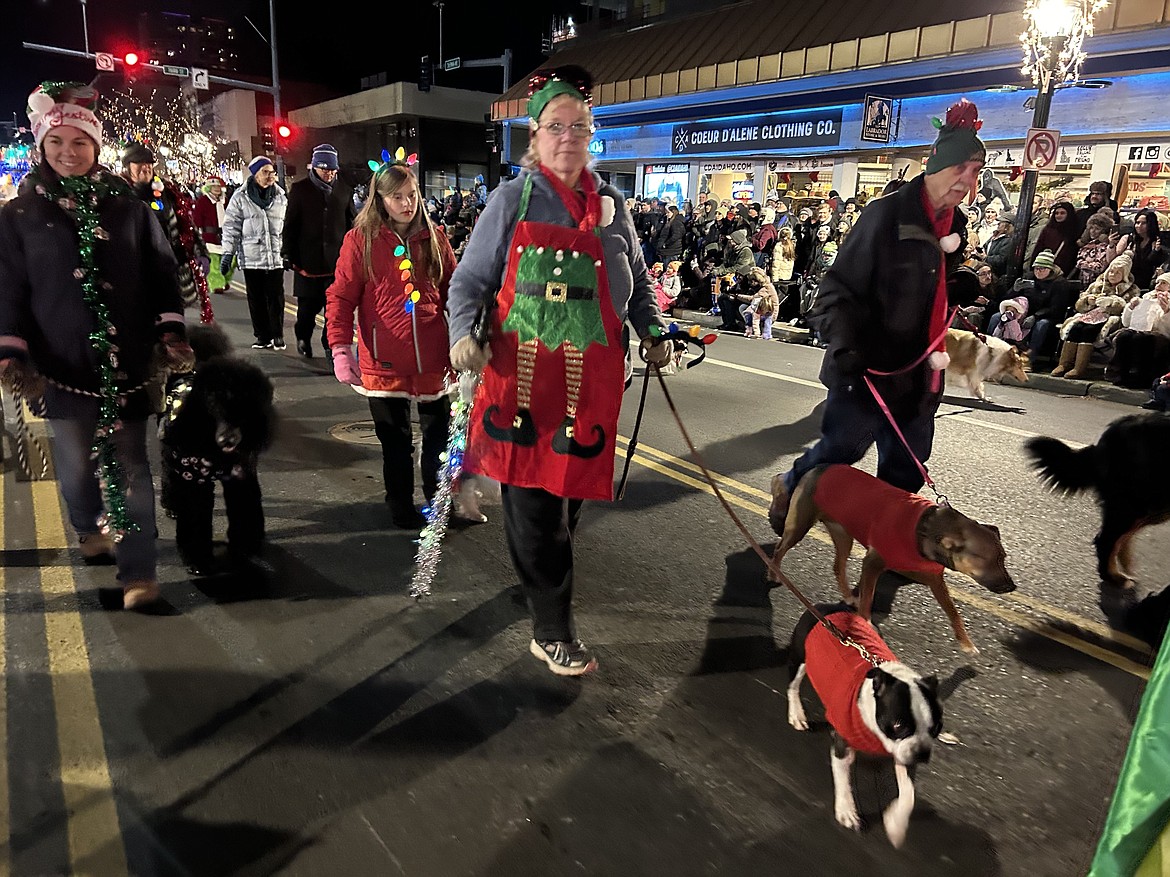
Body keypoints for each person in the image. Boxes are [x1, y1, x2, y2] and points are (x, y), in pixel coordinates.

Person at [445, 65, 670, 676]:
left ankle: (538, 574)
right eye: (554, 126)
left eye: (579, 126)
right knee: (537, 505)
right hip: (521, 386)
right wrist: (463, 334)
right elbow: (468, 281)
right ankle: (552, 628)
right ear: (535, 137)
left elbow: (638, 281)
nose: (567, 137)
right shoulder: (510, 200)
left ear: (591, 133)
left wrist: (651, 328)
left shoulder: (611, 203)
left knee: (565, 503)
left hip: (590, 385)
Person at [0, 81, 188, 611]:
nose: (68, 151)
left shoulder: (129, 208)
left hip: (126, 363)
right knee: (78, 465)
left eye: (79, 141)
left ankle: (139, 574)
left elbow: (161, 270)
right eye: (56, 141)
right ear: (41, 144)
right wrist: (11, 350)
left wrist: (169, 330)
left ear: (96, 146)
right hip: (60, 366)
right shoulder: (17, 216)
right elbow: (8, 285)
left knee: (131, 466)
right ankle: (88, 525)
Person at [768, 98, 985, 532]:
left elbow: (929, 281)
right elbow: (836, 290)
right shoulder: (886, 214)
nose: (967, 179)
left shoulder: (955, 223)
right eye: (960, 167)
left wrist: (958, 281)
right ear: (934, 165)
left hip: (921, 374)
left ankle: (886, 546)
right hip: (869, 366)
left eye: (976, 171)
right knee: (839, 451)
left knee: (907, 468)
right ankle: (789, 485)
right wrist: (846, 344)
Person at [326, 155, 457, 530]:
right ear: (380, 199)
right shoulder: (360, 241)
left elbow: (454, 291)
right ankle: (399, 504)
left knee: (438, 440)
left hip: (434, 359)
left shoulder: (435, 238)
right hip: (383, 363)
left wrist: (469, 333)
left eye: (412, 194)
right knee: (396, 444)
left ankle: (438, 500)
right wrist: (340, 348)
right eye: (397, 196)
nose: (407, 203)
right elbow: (340, 297)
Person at [282, 144, 356, 360]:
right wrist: (287, 252)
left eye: (332, 170)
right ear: (314, 168)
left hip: (336, 264)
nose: (329, 174)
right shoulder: (300, 190)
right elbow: (290, 225)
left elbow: (352, 224)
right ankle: (303, 337)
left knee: (333, 312)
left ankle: (328, 344)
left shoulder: (344, 190)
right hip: (307, 263)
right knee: (306, 312)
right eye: (325, 169)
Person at [120, 141, 209, 313]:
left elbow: (188, 225)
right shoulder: (118, 195)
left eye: (148, 164)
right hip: (136, 274)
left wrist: (201, 253)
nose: (145, 168)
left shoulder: (168, 193)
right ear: (127, 167)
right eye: (139, 164)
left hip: (171, 271)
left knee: (173, 326)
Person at [221, 156, 288, 350]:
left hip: (275, 256)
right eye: (265, 172)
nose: (270, 176)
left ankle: (278, 335)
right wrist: (228, 253)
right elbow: (231, 227)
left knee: (276, 298)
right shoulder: (240, 197)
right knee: (256, 298)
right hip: (251, 257)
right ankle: (262, 336)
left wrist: (289, 251)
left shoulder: (281, 196)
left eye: (272, 172)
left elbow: (288, 226)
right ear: (255, 174)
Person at [194, 175, 231, 293]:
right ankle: (216, 284)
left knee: (229, 262)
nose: (217, 188)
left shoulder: (226, 201)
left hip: (226, 235)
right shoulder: (203, 201)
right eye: (214, 186)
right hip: (210, 236)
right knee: (214, 263)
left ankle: (224, 280)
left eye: (218, 186)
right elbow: (197, 219)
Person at [1029, 201, 1079, 276]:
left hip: (1062, 272)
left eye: (1062, 213)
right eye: (1056, 213)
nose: (1058, 216)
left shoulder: (1074, 232)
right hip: (1044, 268)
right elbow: (1038, 248)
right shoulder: (1048, 230)